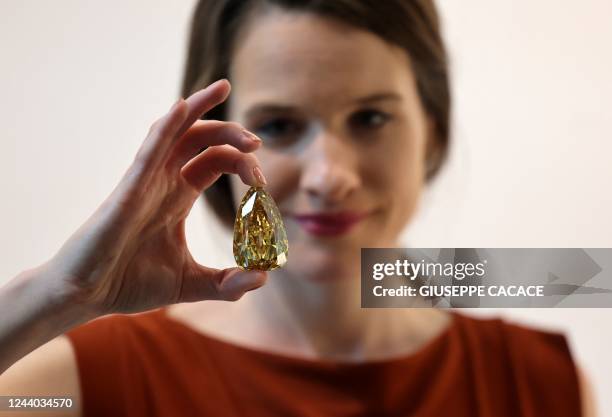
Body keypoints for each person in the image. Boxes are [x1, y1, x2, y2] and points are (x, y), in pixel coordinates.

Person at [0, 0, 597, 416]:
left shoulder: (543, 385)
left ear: (433, 134)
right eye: (280, 126)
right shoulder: (76, 387)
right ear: (212, 142)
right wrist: (59, 295)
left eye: (370, 118)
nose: (329, 176)